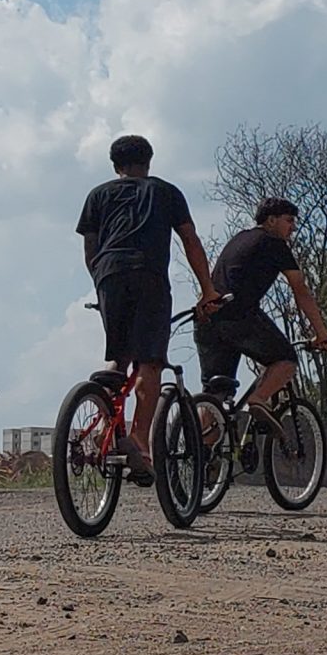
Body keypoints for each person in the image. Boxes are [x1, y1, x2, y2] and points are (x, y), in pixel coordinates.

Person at [76, 135, 224, 482]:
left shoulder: (97, 195)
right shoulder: (166, 191)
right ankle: (140, 442)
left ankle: (105, 428)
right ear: (150, 161)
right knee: (150, 361)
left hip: (109, 274)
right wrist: (207, 290)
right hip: (149, 276)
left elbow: (90, 249)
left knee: (120, 354)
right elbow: (190, 240)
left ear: (115, 166)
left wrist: (102, 285)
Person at [196, 197, 327, 434]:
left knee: (216, 394)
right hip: (238, 316)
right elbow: (300, 289)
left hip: (206, 320)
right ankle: (259, 399)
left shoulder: (240, 238)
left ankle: (202, 457)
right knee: (286, 360)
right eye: (289, 221)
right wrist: (321, 333)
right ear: (271, 220)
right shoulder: (273, 243)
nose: (293, 227)